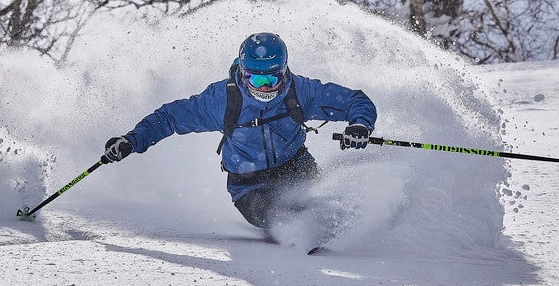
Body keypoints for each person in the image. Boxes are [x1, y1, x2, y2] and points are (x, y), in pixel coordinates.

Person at [101, 32, 377, 238]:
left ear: (284, 72)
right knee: (282, 214)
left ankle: (335, 224)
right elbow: (171, 117)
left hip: (296, 166)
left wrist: (359, 126)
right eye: (257, 80)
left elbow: (355, 101)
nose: (265, 87)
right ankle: (301, 234)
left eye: (272, 79)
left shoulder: (301, 92)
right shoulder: (223, 100)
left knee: (316, 199)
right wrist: (133, 140)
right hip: (249, 186)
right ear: (244, 74)